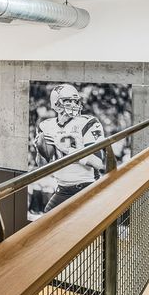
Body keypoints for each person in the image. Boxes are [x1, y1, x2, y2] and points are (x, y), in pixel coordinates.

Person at [34, 84, 105, 212]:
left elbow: (99, 164)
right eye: (68, 100)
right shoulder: (46, 126)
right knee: (46, 223)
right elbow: (42, 166)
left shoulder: (88, 123)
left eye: (75, 100)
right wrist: (40, 150)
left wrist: (69, 151)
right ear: (56, 103)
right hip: (62, 189)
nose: (73, 104)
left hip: (87, 187)